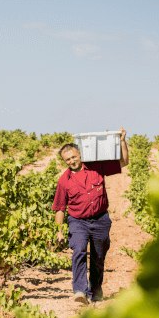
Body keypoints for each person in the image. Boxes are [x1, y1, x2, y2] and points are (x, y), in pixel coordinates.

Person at [53, 128, 129, 303]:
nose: (72, 161)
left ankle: (95, 291)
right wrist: (59, 231)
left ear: (80, 153)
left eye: (73, 157)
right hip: (78, 221)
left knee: (98, 256)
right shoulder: (64, 181)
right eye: (67, 160)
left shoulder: (96, 166)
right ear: (64, 162)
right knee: (78, 251)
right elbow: (59, 208)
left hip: (101, 220)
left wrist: (123, 141)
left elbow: (123, 162)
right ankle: (79, 291)